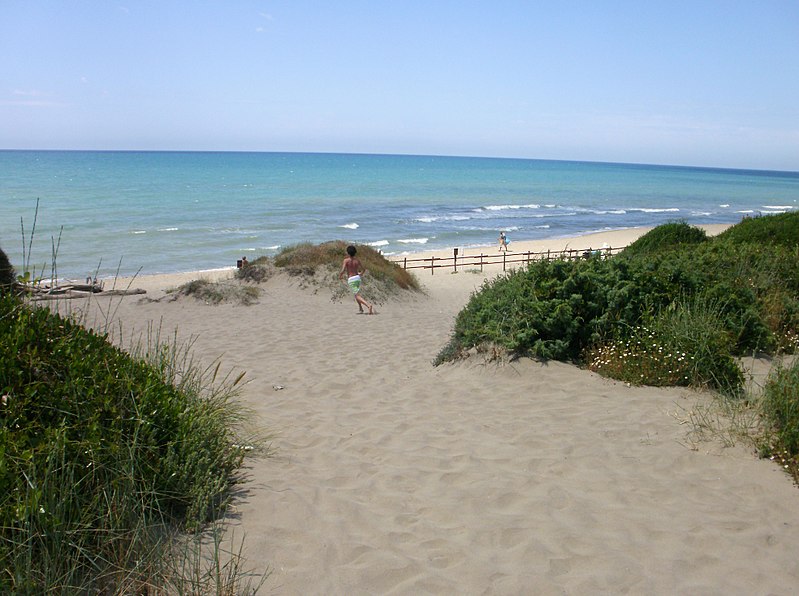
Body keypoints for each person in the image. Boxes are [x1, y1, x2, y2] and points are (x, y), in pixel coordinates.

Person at [339, 245, 374, 314]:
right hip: (357, 278)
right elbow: (364, 269)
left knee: (357, 295)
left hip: (351, 279)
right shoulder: (357, 260)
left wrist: (340, 276)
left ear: (348, 253)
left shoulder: (346, 260)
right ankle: (360, 308)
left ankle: (368, 305)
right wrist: (361, 274)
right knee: (356, 294)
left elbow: (343, 270)